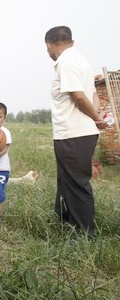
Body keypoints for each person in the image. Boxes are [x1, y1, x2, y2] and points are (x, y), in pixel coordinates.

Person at [44, 26, 108, 237]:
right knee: (67, 180)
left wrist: (97, 118)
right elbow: (93, 96)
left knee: (76, 183)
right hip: (77, 133)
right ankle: (65, 220)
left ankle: (84, 233)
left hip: (73, 133)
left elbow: (80, 97)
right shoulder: (82, 62)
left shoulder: (66, 62)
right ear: (71, 41)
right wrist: (96, 114)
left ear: (49, 45)